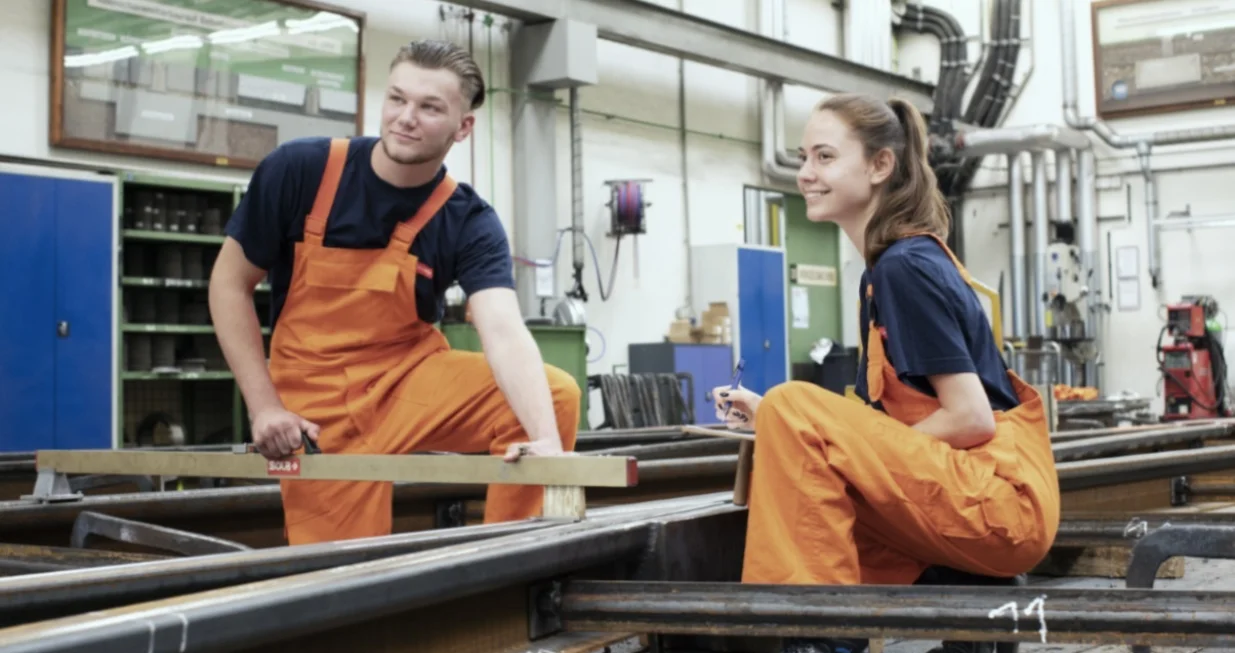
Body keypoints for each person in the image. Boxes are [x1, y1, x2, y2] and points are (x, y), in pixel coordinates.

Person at [712, 93, 1060, 653]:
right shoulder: (886, 270)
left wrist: (836, 439)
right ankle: (947, 586)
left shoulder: (905, 267)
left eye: (824, 157)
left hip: (998, 504)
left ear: (880, 166)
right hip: (976, 498)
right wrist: (805, 429)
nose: (805, 174)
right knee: (796, 439)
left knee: (795, 408)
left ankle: (816, 639)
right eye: (803, 157)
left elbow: (971, 419)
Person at [209, 39, 581, 546]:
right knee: (340, 582)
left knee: (553, 397)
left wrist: (548, 449)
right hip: (315, 408)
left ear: (463, 127)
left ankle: (512, 556)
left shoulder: (468, 219)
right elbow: (229, 285)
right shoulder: (300, 171)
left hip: (407, 380)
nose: (406, 118)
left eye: (430, 108)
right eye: (397, 99)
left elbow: (503, 330)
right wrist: (265, 407)